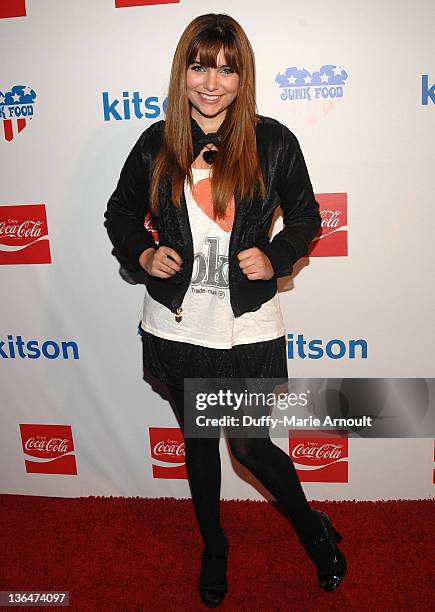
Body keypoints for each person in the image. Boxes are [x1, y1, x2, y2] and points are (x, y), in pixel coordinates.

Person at [104, 13, 346, 608]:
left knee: (249, 447)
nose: (212, 82)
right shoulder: (156, 143)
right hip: (179, 322)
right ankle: (214, 545)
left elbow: (309, 217)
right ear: (182, 71)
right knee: (197, 440)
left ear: (244, 76)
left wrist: (279, 254)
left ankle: (314, 531)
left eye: (227, 68)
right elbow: (118, 213)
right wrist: (142, 250)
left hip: (245, 324)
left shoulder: (274, 140)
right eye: (199, 65)